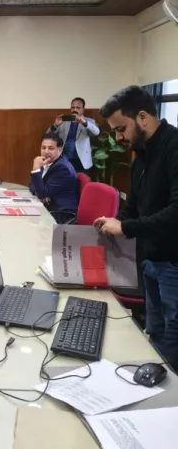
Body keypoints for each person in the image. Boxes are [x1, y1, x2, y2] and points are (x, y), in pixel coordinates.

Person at [94, 85, 178, 372]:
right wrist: (111, 222)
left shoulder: (174, 147)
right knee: (154, 333)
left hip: (173, 263)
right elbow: (134, 208)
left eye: (121, 129)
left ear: (142, 117)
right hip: (151, 260)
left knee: (171, 346)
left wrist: (127, 227)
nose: (118, 137)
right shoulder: (141, 156)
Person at [29, 132, 79, 213]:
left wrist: (35, 169)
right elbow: (32, 186)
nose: (46, 151)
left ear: (59, 150)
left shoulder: (63, 168)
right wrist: (41, 193)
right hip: (47, 207)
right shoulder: (45, 162)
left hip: (60, 212)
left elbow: (42, 192)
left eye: (51, 148)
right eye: (43, 148)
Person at [48, 97, 100, 173]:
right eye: (73, 107)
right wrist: (55, 125)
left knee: (81, 179)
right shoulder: (63, 121)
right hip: (64, 159)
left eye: (78, 107)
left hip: (81, 161)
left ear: (83, 109)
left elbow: (96, 132)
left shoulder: (88, 121)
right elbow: (48, 136)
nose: (75, 110)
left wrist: (84, 122)